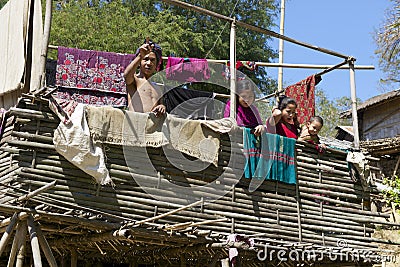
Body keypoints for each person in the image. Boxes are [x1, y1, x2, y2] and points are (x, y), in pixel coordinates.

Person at [123, 39, 165, 117]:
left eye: (153, 60)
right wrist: (140, 56)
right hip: (136, 123)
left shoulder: (158, 87)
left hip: (153, 126)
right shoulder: (135, 80)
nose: (149, 63)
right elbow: (126, 75)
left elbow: (161, 105)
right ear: (139, 63)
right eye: (145, 59)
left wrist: (162, 107)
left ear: (156, 65)